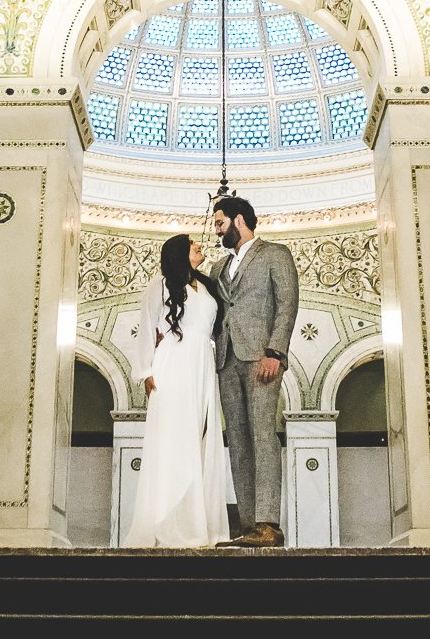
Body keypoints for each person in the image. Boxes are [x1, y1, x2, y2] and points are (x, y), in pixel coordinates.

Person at [123, 234, 230, 548]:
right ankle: (169, 522)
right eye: (192, 244)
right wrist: (145, 371)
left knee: (202, 436)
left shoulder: (208, 286)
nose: (199, 246)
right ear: (178, 253)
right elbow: (146, 328)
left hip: (202, 365)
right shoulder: (159, 286)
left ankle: (200, 522)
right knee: (175, 439)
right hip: (172, 363)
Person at [210, 195, 299, 548]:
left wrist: (275, 351)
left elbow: (287, 304)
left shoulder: (275, 254)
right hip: (226, 360)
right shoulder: (218, 267)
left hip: (262, 357)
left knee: (263, 436)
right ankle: (248, 524)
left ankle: (267, 522)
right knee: (238, 442)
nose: (217, 230)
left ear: (239, 220)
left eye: (220, 223)